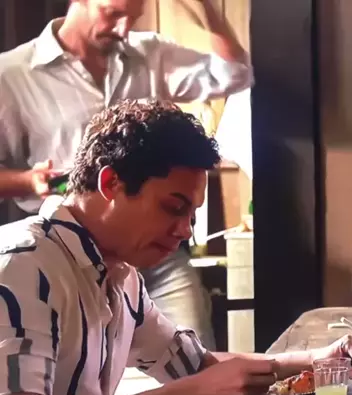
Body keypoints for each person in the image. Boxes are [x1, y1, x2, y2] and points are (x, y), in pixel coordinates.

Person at [0, 99, 352, 395]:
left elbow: (196, 365)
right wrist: (191, 394)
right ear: (111, 183)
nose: (185, 230)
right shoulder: (24, 266)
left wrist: (318, 359)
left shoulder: (121, 277)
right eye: (174, 208)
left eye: (192, 214)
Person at [0, 0, 252, 349]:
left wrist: (207, 8)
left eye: (132, 19)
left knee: (195, 352)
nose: (123, 30)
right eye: (114, 14)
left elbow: (236, 74)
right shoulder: (11, 75)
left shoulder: (148, 53)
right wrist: (27, 181)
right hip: (66, 255)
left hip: (160, 255)